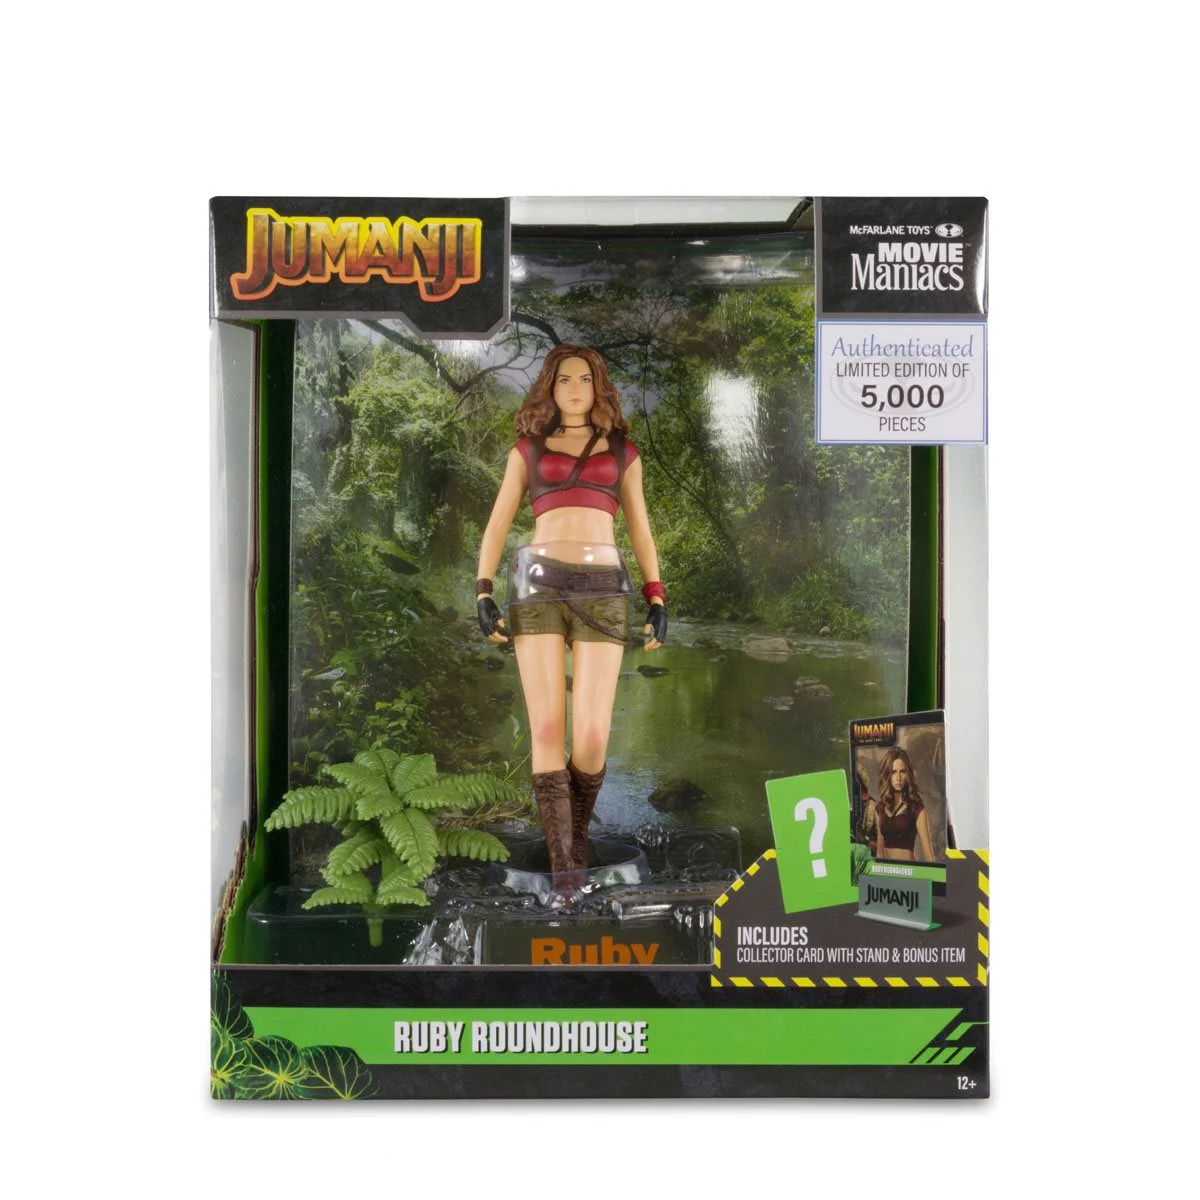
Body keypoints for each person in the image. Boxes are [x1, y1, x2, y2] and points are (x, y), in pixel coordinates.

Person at [475, 346, 666, 896]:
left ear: (598, 386)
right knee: (546, 729)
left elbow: (640, 529)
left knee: (592, 733)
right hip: (537, 587)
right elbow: (497, 522)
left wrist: (656, 596)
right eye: (565, 380)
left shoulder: (624, 453)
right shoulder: (527, 450)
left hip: (604, 589)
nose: (576, 389)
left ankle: (573, 843)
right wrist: (483, 590)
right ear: (551, 387)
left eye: (585, 379)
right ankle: (566, 878)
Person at [874, 747, 935, 863]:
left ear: (907, 773)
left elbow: (929, 855)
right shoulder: (880, 808)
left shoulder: (916, 808)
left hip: (909, 871)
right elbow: (880, 853)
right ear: (887, 774)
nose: (898, 778)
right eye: (893, 772)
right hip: (888, 871)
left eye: (902, 772)